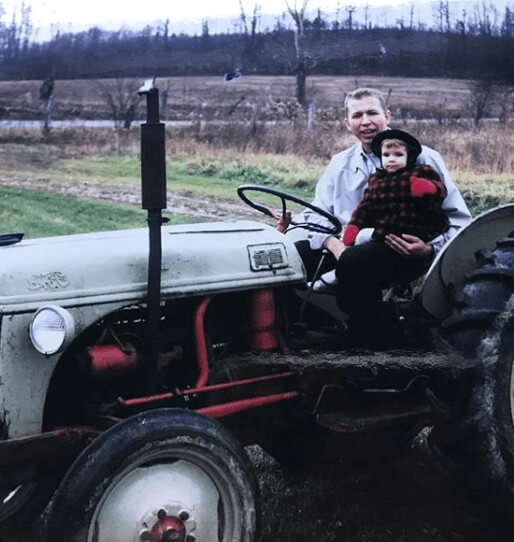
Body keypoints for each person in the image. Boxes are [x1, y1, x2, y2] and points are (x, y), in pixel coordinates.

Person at [284, 88, 472, 346]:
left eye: (372, 113)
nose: (366, 122)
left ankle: (376, 348)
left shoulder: (423, 158)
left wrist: (429, 248)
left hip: (404, 248)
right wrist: (332, 243)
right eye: (357, 115)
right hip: (349, 246)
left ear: (386, 115)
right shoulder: (340, 164)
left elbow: (460, 219)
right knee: (289, 257)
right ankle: (306, 334)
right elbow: (317, 214)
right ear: (347, 122)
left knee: (356, 263)